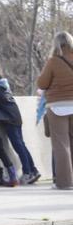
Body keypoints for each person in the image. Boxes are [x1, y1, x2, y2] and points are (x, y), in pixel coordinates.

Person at [36, 31, 73, 190]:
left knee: (61, 145)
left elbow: (42, 84)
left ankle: (64, 183)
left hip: (58, 106)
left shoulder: (53, 61)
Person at [0, 76, 40, 185]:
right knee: (21, 145)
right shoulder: (3, 88)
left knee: (19, 146)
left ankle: (27, 172)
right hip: (15, 118)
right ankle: (33, 170)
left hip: (10, 120)